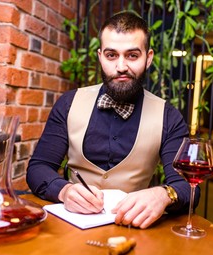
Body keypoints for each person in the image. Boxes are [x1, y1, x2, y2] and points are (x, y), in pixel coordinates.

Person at [26, 11, 200, 229]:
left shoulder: (169, 117)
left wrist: (163, 194)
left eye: (132, 55)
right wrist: (64, 190)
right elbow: (38, 167)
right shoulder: (68, 103)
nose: (121, 67)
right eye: (111, 55)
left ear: (149, 58)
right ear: (100, 57)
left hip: (134, 230)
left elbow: (187, 186)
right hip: (70, 229)